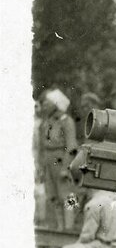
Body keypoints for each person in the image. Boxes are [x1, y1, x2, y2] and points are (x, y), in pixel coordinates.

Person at [38, 88, 78, 231]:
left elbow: (72, 147)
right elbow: (42, 146)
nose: (44, 106)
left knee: (67, 196)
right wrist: (41, 166)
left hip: (61, 161)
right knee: (52, 196)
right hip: (49, 163)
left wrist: (65, 168)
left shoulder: (67, 121)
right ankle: (56, 228)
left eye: (48, 103)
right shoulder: (46, 122)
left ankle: (69, 228)